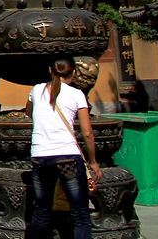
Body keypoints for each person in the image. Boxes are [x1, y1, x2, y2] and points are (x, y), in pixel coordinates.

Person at [25, 55, 102, 239]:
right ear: (73, 73)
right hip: (68, 158)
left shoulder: (36, 90)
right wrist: (93, 161)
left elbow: (28, 112)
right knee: (80, 213)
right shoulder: (77, 95)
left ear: (50, 70)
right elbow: (87, 133)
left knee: (41, 211)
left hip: (40, 156)